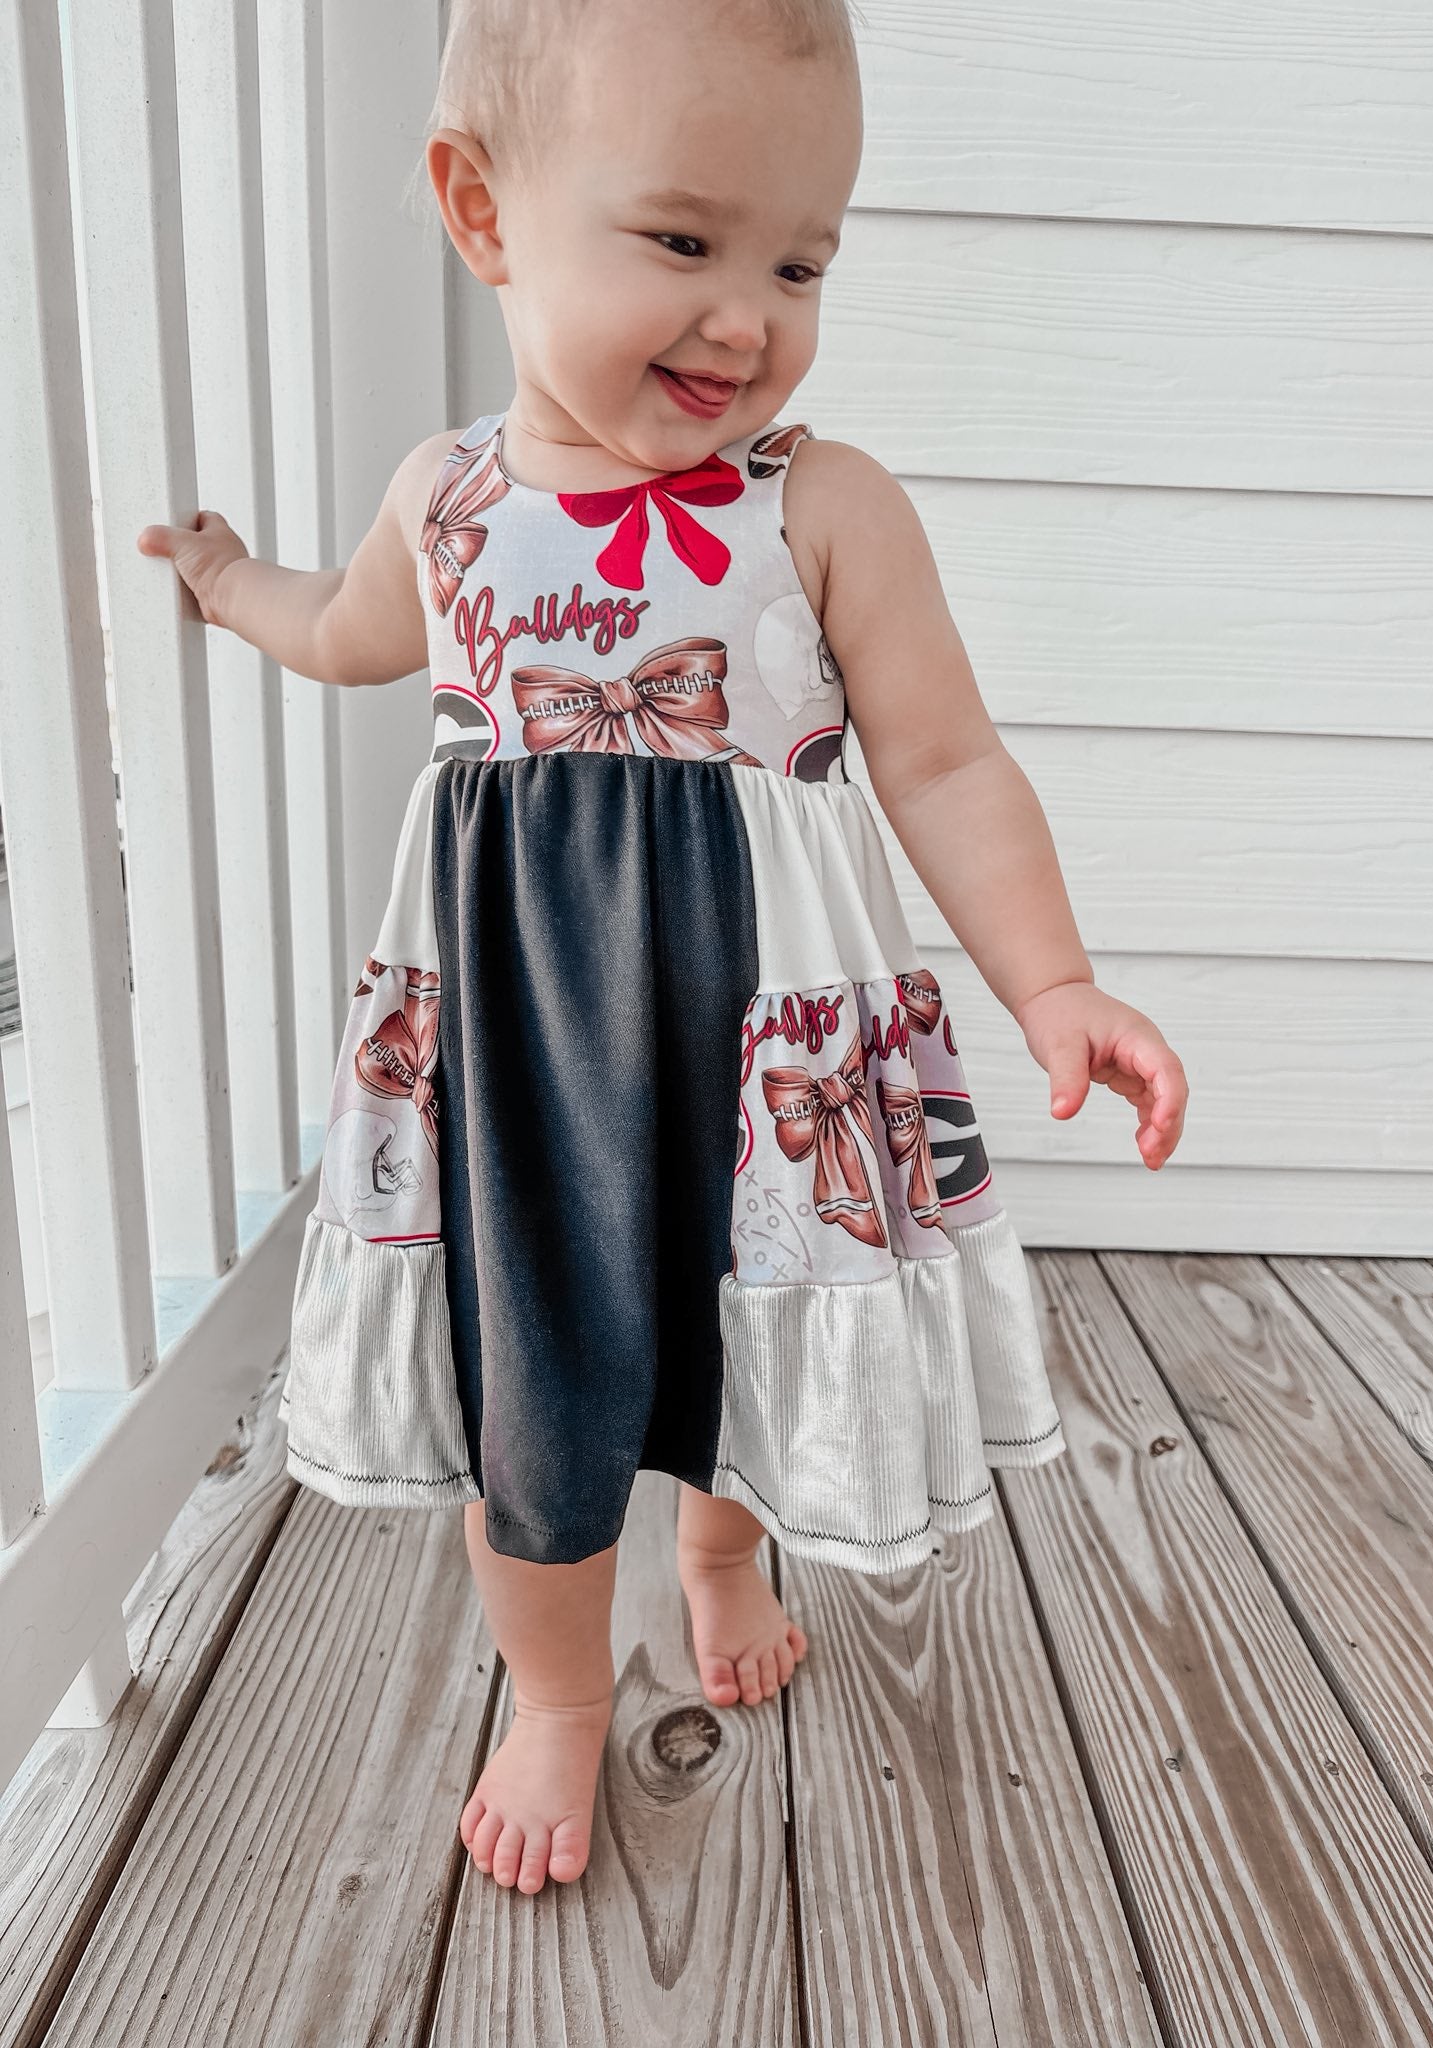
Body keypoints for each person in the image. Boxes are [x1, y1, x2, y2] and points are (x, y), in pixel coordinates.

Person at [138, 0, 1187, 1900]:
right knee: (531, 1389)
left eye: (800, 262)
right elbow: (345, 633)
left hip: (762, 1051)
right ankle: (555, 1696)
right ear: (485, 211)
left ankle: (721, 1556)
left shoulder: (823, 507)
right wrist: (223, 583)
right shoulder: (448, 501)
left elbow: (945, 762)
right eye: (687, 240)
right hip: (524, 1056)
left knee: (747, 1324)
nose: (747, 319)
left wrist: (1053, 981)